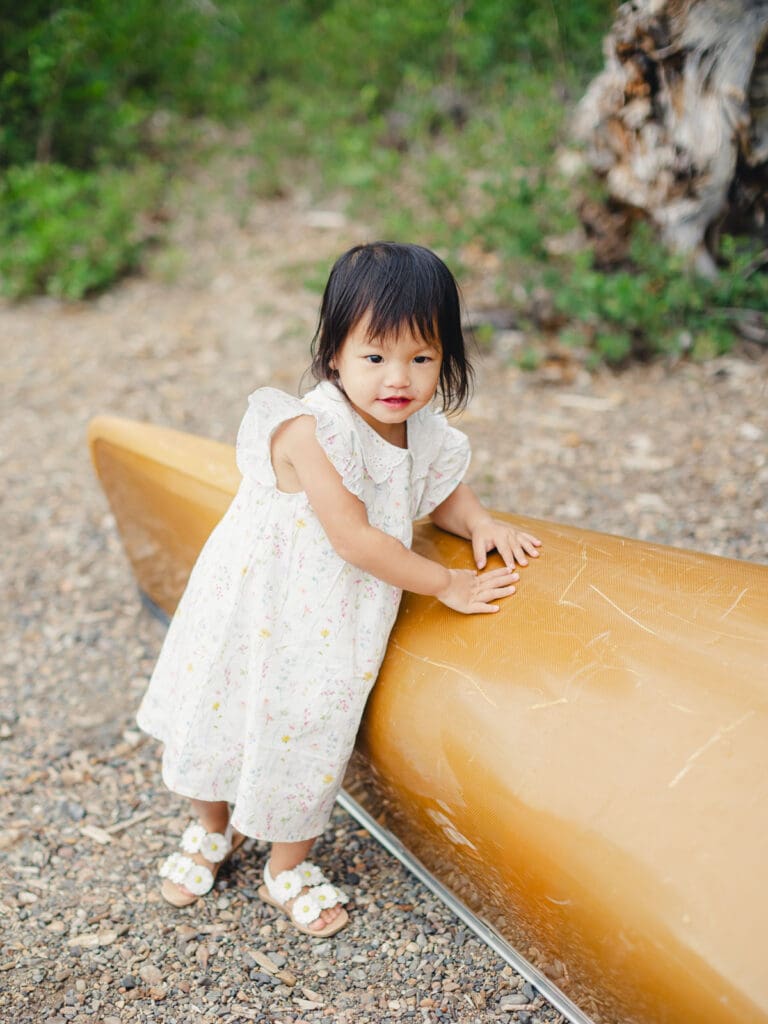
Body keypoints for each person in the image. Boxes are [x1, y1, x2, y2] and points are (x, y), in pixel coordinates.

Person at [136, 241, 541, 937]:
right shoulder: (310, 430)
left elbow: (440, 490)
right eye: (375, 356)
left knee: (313, 727)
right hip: (258, 601)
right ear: (333, 356)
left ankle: (286, 865)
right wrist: (446, 583)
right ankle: (212, 827)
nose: (399, 378)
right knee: (220, 702)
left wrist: (478, 522)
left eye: (422, 358)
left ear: (445, 358)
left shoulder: (422, 430)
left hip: (333, 618)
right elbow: (353, 537)